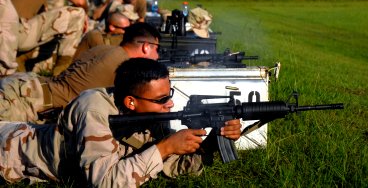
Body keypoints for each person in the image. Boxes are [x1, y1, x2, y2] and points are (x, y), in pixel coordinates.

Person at [0, 58, 242, 186]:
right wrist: (165, 147)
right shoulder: (93, 109)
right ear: (131, 102)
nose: (169, 104)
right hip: (9, 152)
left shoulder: (152, 114)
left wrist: (211, 143)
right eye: (162, 99)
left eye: (170, 95)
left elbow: (168, 168)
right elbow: (105, 183)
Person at [0, 22, 160, 123]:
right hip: (28, 103)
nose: (157, 56)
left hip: (28, 86)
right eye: (157, 50)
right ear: (146, 46)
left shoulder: (104, 49)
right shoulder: (126, 66)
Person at [73, 7, 139, 59]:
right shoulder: (95, 36)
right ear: (112, 27)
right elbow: (108, 57)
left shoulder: (113, 37)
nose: (127, 32)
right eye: (125, 29)